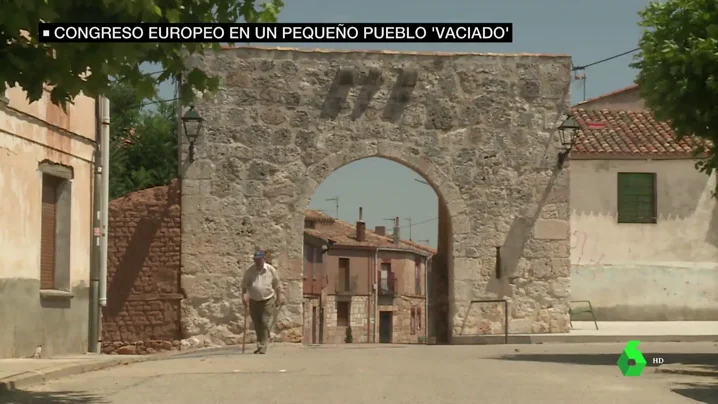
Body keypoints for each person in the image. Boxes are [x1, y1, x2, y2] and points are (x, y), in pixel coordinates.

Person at [240, 250, 283, 354]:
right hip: (254, 300)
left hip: (268, 299)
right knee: (257, 323)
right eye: (255, 260)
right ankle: (260, 344)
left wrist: (278, 298)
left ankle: (262, 346)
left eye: (259, 260)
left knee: (264, 322)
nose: (257, 262)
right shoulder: (250, 271)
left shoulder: (270, 270)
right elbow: (244, 286)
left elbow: (277, 285)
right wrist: (244, 297)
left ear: (263, 259)